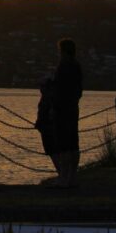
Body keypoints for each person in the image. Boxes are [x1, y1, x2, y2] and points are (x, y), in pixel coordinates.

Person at [38, 38, 83, 187]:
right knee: (73, 144)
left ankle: (64, 178)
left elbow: (59, 90)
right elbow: (77, 90)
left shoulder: (63, 66)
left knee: (63, 145)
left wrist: (52, 105)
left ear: (63, 51)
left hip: (62, 110)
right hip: (72, 108)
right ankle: (72, 177)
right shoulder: (77, 66)